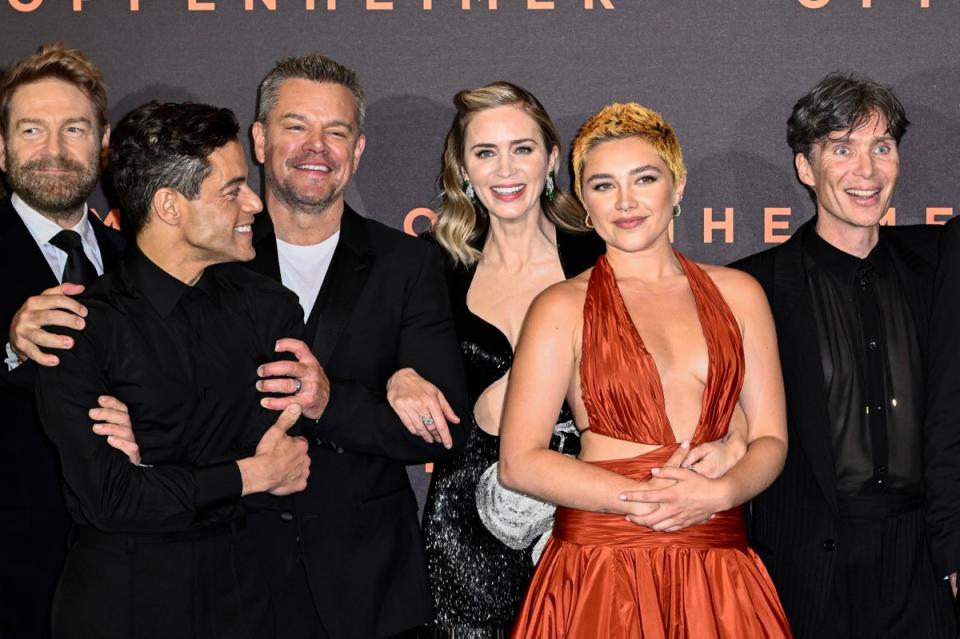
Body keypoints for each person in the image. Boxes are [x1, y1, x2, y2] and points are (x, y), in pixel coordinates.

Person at [413, 82, 746, 637]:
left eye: (521, 147)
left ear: (550, 159)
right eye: (485, 152)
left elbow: (701, 364)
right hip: (469, 530)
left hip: (599, 523)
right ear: (462, 171)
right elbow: (382, 359)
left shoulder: (610, 252)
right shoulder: (427, 271)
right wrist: (401, 375)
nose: (505, 168)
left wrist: (734, 441)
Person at [499, 102, 792, 637]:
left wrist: (721, 494)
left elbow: (771, 438)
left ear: (677, 188)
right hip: (600, 572)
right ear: (584, 202)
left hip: (718, 571)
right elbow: (520, 462)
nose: (626, 202)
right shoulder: (559, 307)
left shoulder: (741, 294)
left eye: (645, 178)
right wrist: (648, 500)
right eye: (604, 185)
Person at [35, 101, 324, 639]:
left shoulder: (271, 310)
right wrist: (246, 474)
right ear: (170, 206)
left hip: (240, 596)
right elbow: (113, 500)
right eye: (233, 189)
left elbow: (290, 460)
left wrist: (156, 473)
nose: (256, 204)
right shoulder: (78, 327)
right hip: (121, 604)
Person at [245, 53, 469, 639]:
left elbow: (444, 432)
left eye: (336, 131)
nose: (316, 146)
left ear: (359, 149)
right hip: (235, 579)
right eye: (296, 126)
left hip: (369, 590)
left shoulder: (408, 265)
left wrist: (331, 403)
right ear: (261, 139)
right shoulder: (216, 259)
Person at [732, 73, 956, 638]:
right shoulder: (751, 288)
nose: (867, 170)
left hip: (923, 567)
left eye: (882, 147)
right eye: (842, 148)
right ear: (805, 168)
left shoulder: (941, 269)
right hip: (801, 572)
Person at [0, 43, 124, 639]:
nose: (53, 150)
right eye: (31, 129)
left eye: (74, 128)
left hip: (131, 581)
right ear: (1, 149)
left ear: (102, 144)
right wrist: (7, 347)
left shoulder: (141, 265)